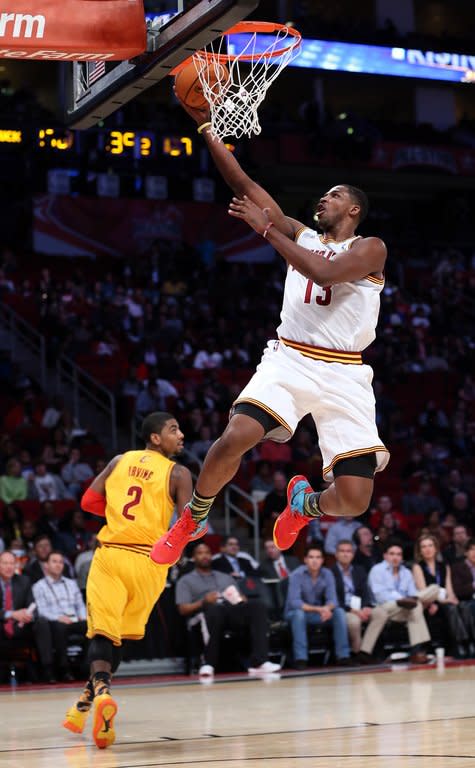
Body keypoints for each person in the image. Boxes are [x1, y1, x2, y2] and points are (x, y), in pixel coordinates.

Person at [151, 97, 389, 567]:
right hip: (291, 358)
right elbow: (243, 182)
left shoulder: (372, 249)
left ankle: (305, 505)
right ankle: (193, 517)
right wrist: (205, 129)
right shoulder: (301, 235)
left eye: (335, 195)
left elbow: (324, 275)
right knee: (236, 434)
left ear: (355, 209)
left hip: (345, 373)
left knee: (356, 498)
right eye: (324, 194)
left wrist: (268, 234)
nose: (324, 198)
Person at [63, 412, 194, 750]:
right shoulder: (179, 474)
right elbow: (186, 527)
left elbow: (89, 502)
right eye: (173, 429)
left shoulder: (119, 461)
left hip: (111, 554)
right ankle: (85, 704)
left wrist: (118, 511)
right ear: (154, 438)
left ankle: (100, 694)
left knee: (103, 633)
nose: (181, 435)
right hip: (150, 563)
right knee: (117, 637)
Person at [175, 541, 281, 677]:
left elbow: (239, 598)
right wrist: (204, 601)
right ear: (194, 558)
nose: (205, 556)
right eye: (200, 553)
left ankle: (260, 662)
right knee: (214, 609)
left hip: (230, 611)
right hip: (204, 613)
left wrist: (242, 598)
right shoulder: (186, 580)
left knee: (257, 606)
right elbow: (183, 609)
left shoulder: (224, 577)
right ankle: (209, 663)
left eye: (207, 553)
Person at [358, 540, 438, 664]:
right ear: (385, 555)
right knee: (415, 606)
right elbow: (379, 596)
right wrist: (401, 599)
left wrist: (411, 599)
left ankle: (416, 651)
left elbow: (411, 592)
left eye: (399, 554)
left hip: (403, 608)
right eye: (392, 554)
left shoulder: (406, 572)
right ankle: (418, 651)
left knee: (433, 590)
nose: (395, 557)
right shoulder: (377, 570)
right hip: (382, 607)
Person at [285, 543, 351, 669]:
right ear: (305, 560)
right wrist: (320, 609)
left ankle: (343, 656)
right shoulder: (296, 575)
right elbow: (295, 602)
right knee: (299, 615)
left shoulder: (327, 573)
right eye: (311, 557)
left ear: (322, 560)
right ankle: (301, 659)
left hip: (317, 613)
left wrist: (327, 609)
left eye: (318, 557)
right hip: (295, 613)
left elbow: (333, 600)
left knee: (339, 612)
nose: (314, 561)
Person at [412, 533, 470, 657]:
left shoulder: (444, 566)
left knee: (460, 607)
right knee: (448, 606)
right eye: (424, 547)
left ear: (436, 548)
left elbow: (449, 590)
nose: (427, 549)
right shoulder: (418, 567)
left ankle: (465, 643)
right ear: (420, 550)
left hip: (444, 601)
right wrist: (437, 603)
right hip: (428, 603)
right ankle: (460, 644)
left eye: (430, 546)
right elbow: (423, 592)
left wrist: (453, 599)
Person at [32, 550, 87, 682]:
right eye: (54, 561)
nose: (58, 565)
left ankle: (87, 667)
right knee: (59, 627)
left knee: (91, 626)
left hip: (74, 620)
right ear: (46, 565)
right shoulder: (39, 586)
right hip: (55, 621)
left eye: (61, 562)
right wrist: (58, 618)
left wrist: (83, 617)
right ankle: (64, 668)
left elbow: (80, 605)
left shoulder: (71, 583)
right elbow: (41, 610)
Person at [332, 540, 373, 654]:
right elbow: (333, 599)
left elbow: (365, 592)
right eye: (342, 551)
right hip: (343, 609)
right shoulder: (330, 572)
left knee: (381, 613)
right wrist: (353, 610)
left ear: (353, 554)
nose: (345, 554)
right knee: (354, 621)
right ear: (336, 554)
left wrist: (365, 607)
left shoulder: (359, 570)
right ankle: (357, 652)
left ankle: (366, 651)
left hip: (360, 608)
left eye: (349, 551)